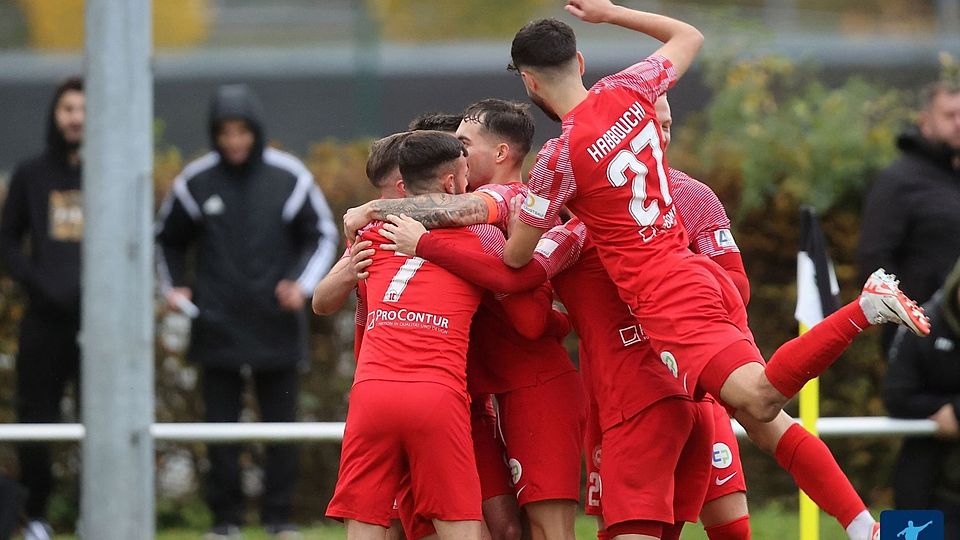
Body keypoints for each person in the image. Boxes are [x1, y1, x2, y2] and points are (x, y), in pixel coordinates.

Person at [155, 84, 338, 539]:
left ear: (255, 130)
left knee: (282, 429)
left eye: (242, 131)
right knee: (220, 431)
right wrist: (174, 288)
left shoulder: (288, 176)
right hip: (214, 326)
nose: (234, 140)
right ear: (214, 134)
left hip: (276, 323)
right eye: (225, 132)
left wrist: (302, 284)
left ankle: (279, 520)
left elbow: (321, 234)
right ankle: (225, 522)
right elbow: (166, 240)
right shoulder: (195, 181)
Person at [325, 130, 493, 540]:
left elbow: (320, 301)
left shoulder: (372, 233)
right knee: (460, 522)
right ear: (452, 183)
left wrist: (350, 267)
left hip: (372, 390)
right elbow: (522, 297)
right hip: (436, 392)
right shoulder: (482, 236)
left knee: (364, 520)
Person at [0, 76, 84, 540]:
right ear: (56, 115)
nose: (76, 117)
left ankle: (101, 509)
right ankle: (35, 517)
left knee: (104, 417)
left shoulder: (111, 170)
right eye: (67, 108)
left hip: (100, 326)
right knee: (37, 418)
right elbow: (8, 240)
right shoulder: (32, 174)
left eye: (84, 108)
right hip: (43, 322)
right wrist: (38, 283)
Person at [858, 79, 960, 351]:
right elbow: (874, 259)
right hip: (920, 338)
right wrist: (907, 317)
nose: (959, 123)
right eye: (949, 115)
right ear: (925, 121)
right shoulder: (899, 181)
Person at [884, 256, 960, 539]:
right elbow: (896, 396)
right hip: (923, 483)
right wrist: (943, 412)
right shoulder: (921, 324)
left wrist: (958, 412)